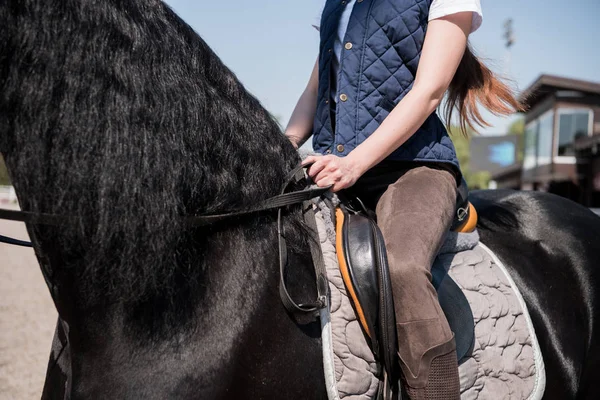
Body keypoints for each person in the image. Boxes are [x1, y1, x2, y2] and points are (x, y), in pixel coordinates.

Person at [284, 1, 523, 398]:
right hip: (337, 166)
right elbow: (315, 90)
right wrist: (283, 147)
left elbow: (428, 92)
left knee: (402, 267)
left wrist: (354, 164)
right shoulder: (339, 4)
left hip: (414, 167)